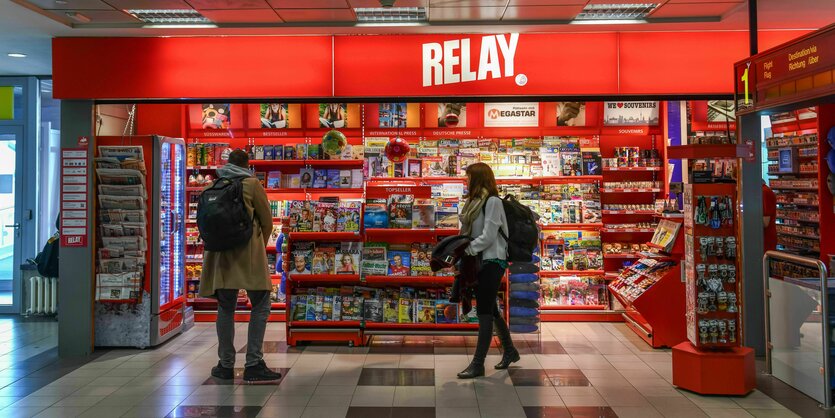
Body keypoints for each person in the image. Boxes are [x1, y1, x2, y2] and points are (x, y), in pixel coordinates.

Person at [199, 150, 282, 382]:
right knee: (262, 303)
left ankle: (225, 365)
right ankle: (253, 363)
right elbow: (267, 221)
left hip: (219, 257)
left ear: (227, 164)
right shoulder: (251, 184)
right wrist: (257, 245)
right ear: (248, 165)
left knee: (226, 307)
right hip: (247, 256)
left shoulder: (212, 186)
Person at [457, 162, 518, 379]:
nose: (466, 181)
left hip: (493, 261)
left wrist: (468, 249)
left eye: (469, 177)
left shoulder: (492, 202)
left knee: (483, 311)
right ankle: (510, 351)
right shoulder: (472, 203)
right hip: (478, 260)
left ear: (478, 178)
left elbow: (489, 235)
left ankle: (478, 363)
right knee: (490, 308)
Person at [762, 180, 777, 252]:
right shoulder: (762, 191)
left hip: (766, 240)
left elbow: (765, 222)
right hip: (763, 239)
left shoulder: (764, 192)